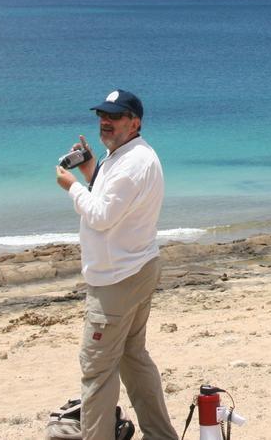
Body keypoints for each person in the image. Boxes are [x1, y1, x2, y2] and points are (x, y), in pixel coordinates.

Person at [55, 88, 177, 440]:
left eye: (115, 116)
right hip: (136, 268)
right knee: (133, 358)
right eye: (102, 116)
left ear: (134, 122)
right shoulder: (126, 154)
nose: (105, 122)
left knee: (97, 371)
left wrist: (71, 186)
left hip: (116, 281)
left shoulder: (131, 163)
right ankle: (160, 435)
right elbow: (112, 198)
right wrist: (91, 167)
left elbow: (103, 215)